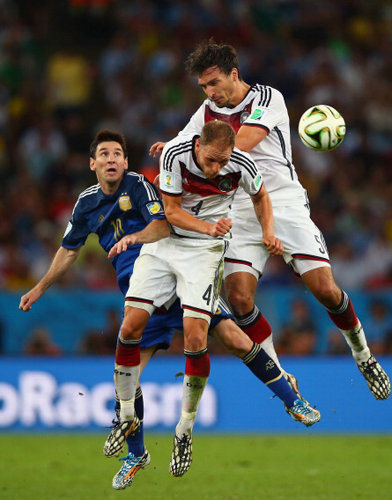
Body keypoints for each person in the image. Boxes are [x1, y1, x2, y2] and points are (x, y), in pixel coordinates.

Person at [19, 128, 320, 491]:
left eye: (118, 154)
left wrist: (151, 233)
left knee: (232, 338)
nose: (111, 159)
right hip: (146, 285)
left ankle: (289, 398)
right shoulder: (86, 204)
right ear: (92, 163)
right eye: (104, 154)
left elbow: (165, 223)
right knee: (125, 376)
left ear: (126, 162)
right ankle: (136, 451)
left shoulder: (140, 187)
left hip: (178, 272)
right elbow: (69, 250)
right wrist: (39, 287)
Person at [150, 40, 390, 401]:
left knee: (325, 289)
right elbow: (183, 146)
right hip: (239, 210)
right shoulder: (206, 110)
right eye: (203, 87)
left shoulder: (267, 99)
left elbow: (239, 143)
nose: (210, 93)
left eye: (214, 83)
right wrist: (170, 152)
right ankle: (278, 372)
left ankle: (363, 354)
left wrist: (191, 153)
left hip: (282, 200)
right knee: (239, 298)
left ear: (234, 74)